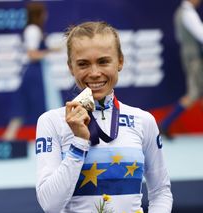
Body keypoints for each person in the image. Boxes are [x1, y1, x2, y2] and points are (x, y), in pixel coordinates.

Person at [35, 21, 173, 212]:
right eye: (83, 64)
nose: (94, 73)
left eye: (103, 61)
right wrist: (78, 143)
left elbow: (161, 192)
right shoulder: (51, 122)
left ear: (120, 62)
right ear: (70, 67)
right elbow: (50, 205)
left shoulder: (144, 120)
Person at [3, 2, 60, 141]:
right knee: (35, 105)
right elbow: (32, 55)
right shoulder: (33, 30)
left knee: (25, 105)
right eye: (44, 12)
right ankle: (10, 138)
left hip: (39, 72)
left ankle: (9, 137)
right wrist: (51, 51)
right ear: (39, 14)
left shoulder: (35, 30)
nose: (46, 15)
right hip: (35, 74)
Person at [159, 0, 203, 139]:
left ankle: (165, 124)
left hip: (192, 57)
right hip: (194, 58)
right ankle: (165, 124)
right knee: (194, 93)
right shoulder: (187, 13)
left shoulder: (182, 12)